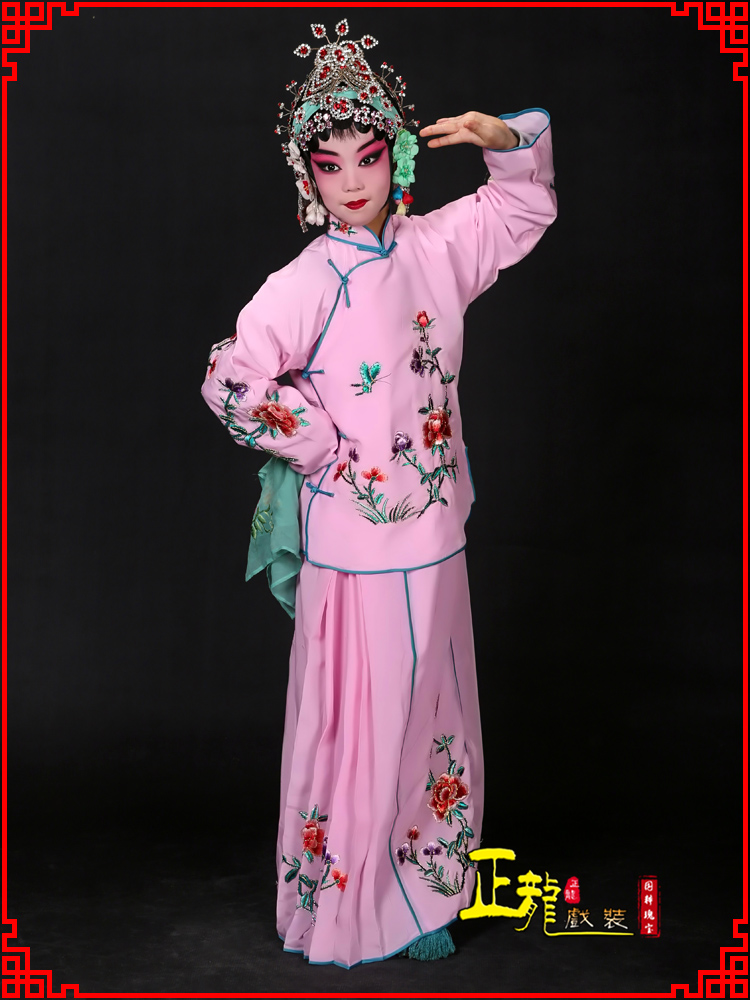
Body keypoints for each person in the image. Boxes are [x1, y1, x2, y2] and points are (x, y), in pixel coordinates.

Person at [201, 18, 557, 969]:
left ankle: (426, 890)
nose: (351, 182)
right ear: (307, 176)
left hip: (435, 532)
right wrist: (319, 444)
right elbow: (231, 378)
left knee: (433, 717)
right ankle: (351, 902)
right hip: (353, 546)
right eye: (330, 166)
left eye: (368, 157)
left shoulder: (437, 247)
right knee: (358, 727)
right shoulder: (305, 280)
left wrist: (507, 139)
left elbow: (523, 209)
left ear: (396, 156)